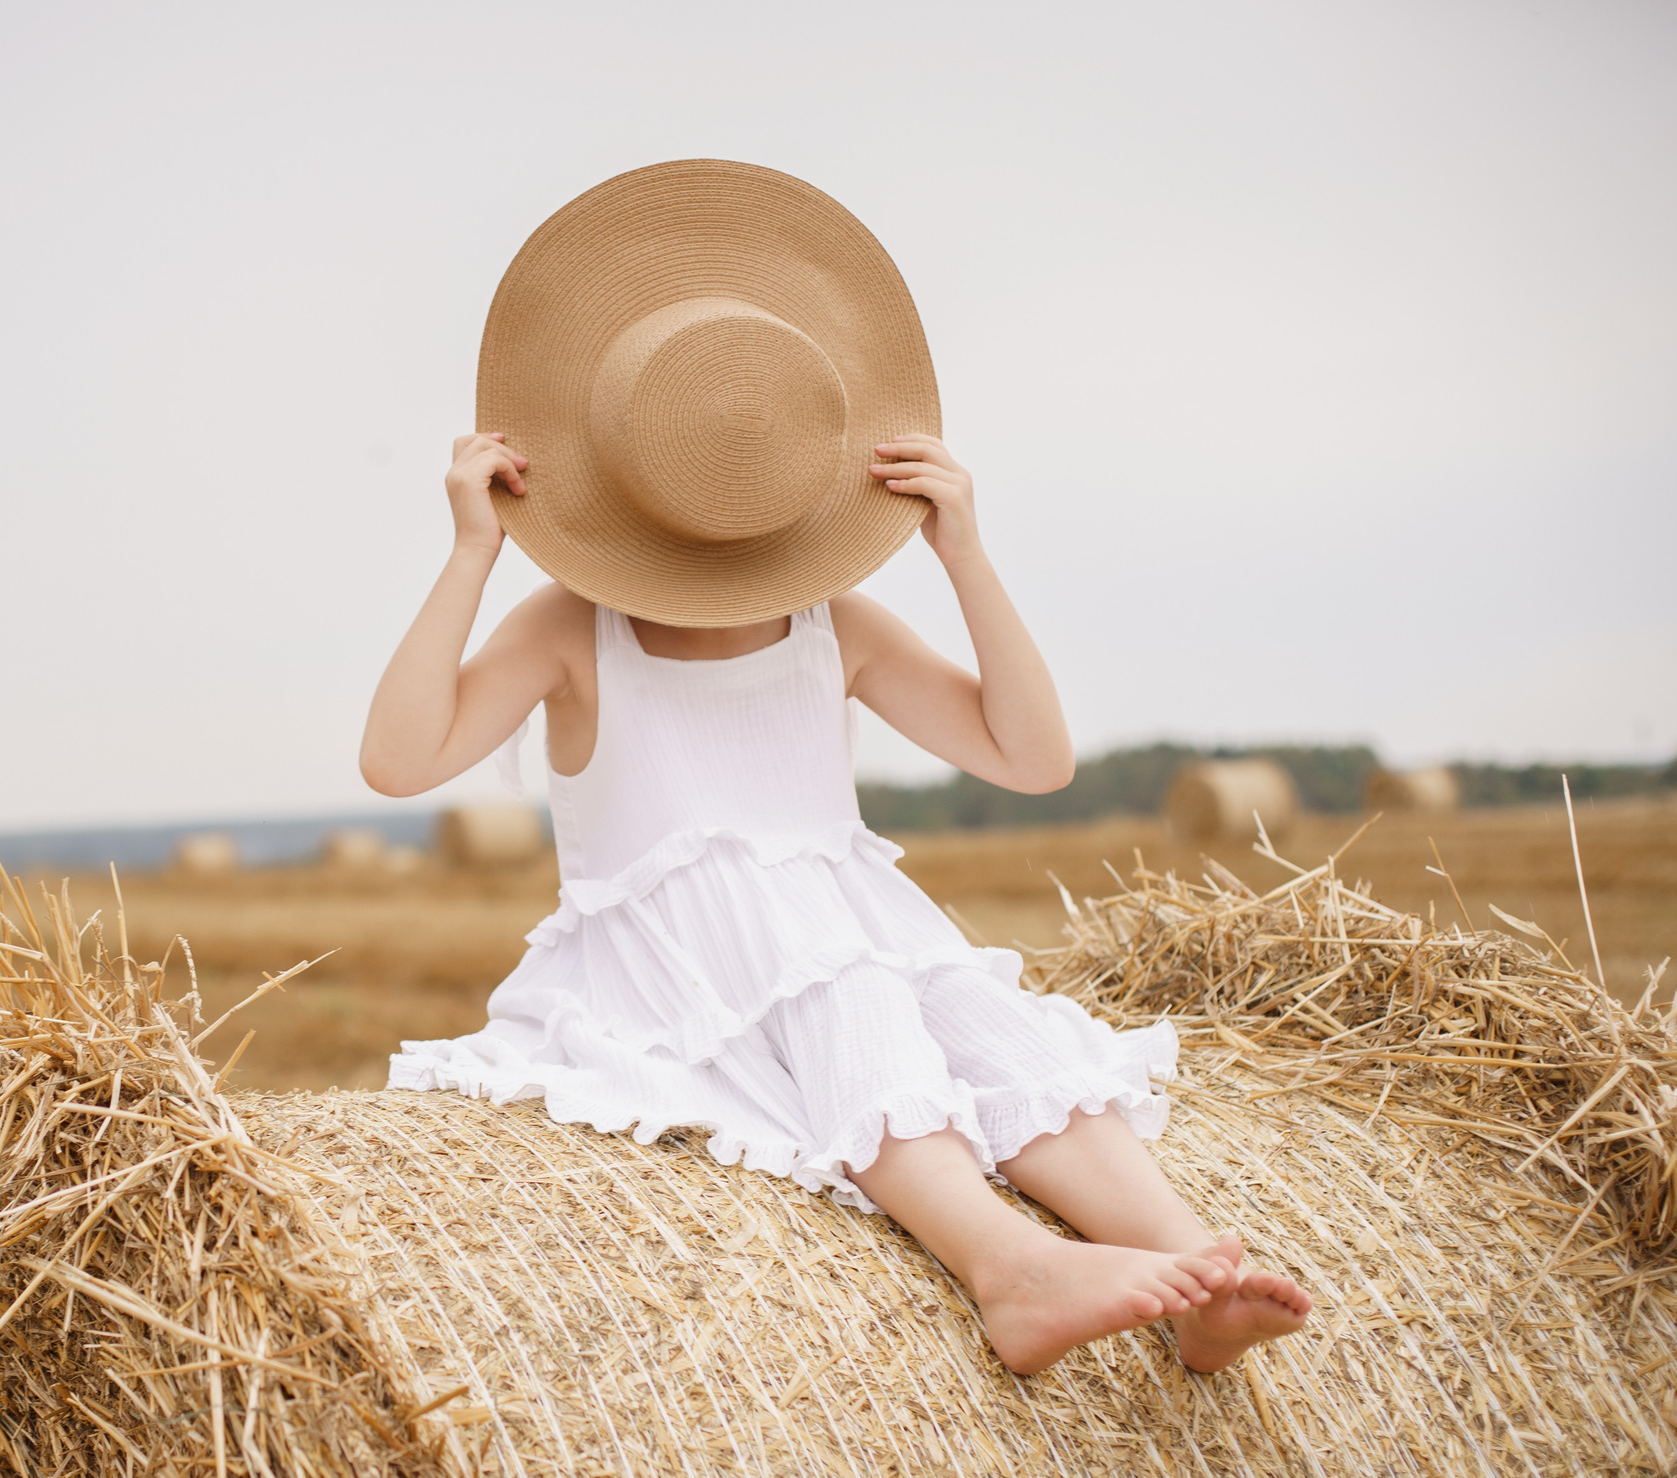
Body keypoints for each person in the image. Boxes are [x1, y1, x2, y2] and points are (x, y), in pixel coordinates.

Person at [359, 161, 1310, 1376]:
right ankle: (1006, 1267)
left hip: (853, 927)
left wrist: (964, 555)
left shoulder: (837, 627)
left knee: (991, 1028)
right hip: (672, 963)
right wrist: (471, 555)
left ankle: (1196, 1269)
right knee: (848, 990)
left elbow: (1032, 757)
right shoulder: (568, 630)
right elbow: (396, 762)